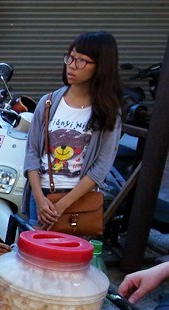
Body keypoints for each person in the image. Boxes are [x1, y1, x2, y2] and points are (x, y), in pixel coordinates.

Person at [24, 31, 123, 229]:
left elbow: (101, 168)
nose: (71, 65)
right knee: (33, 257)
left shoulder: (108, 112)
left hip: (78, 202)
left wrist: (62, 205)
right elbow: (32, 152)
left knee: (66, 259)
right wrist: (39, 197)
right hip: (41, 197)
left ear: (101, 67)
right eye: (70, 57)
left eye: (82, 61)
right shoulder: (48, 103)